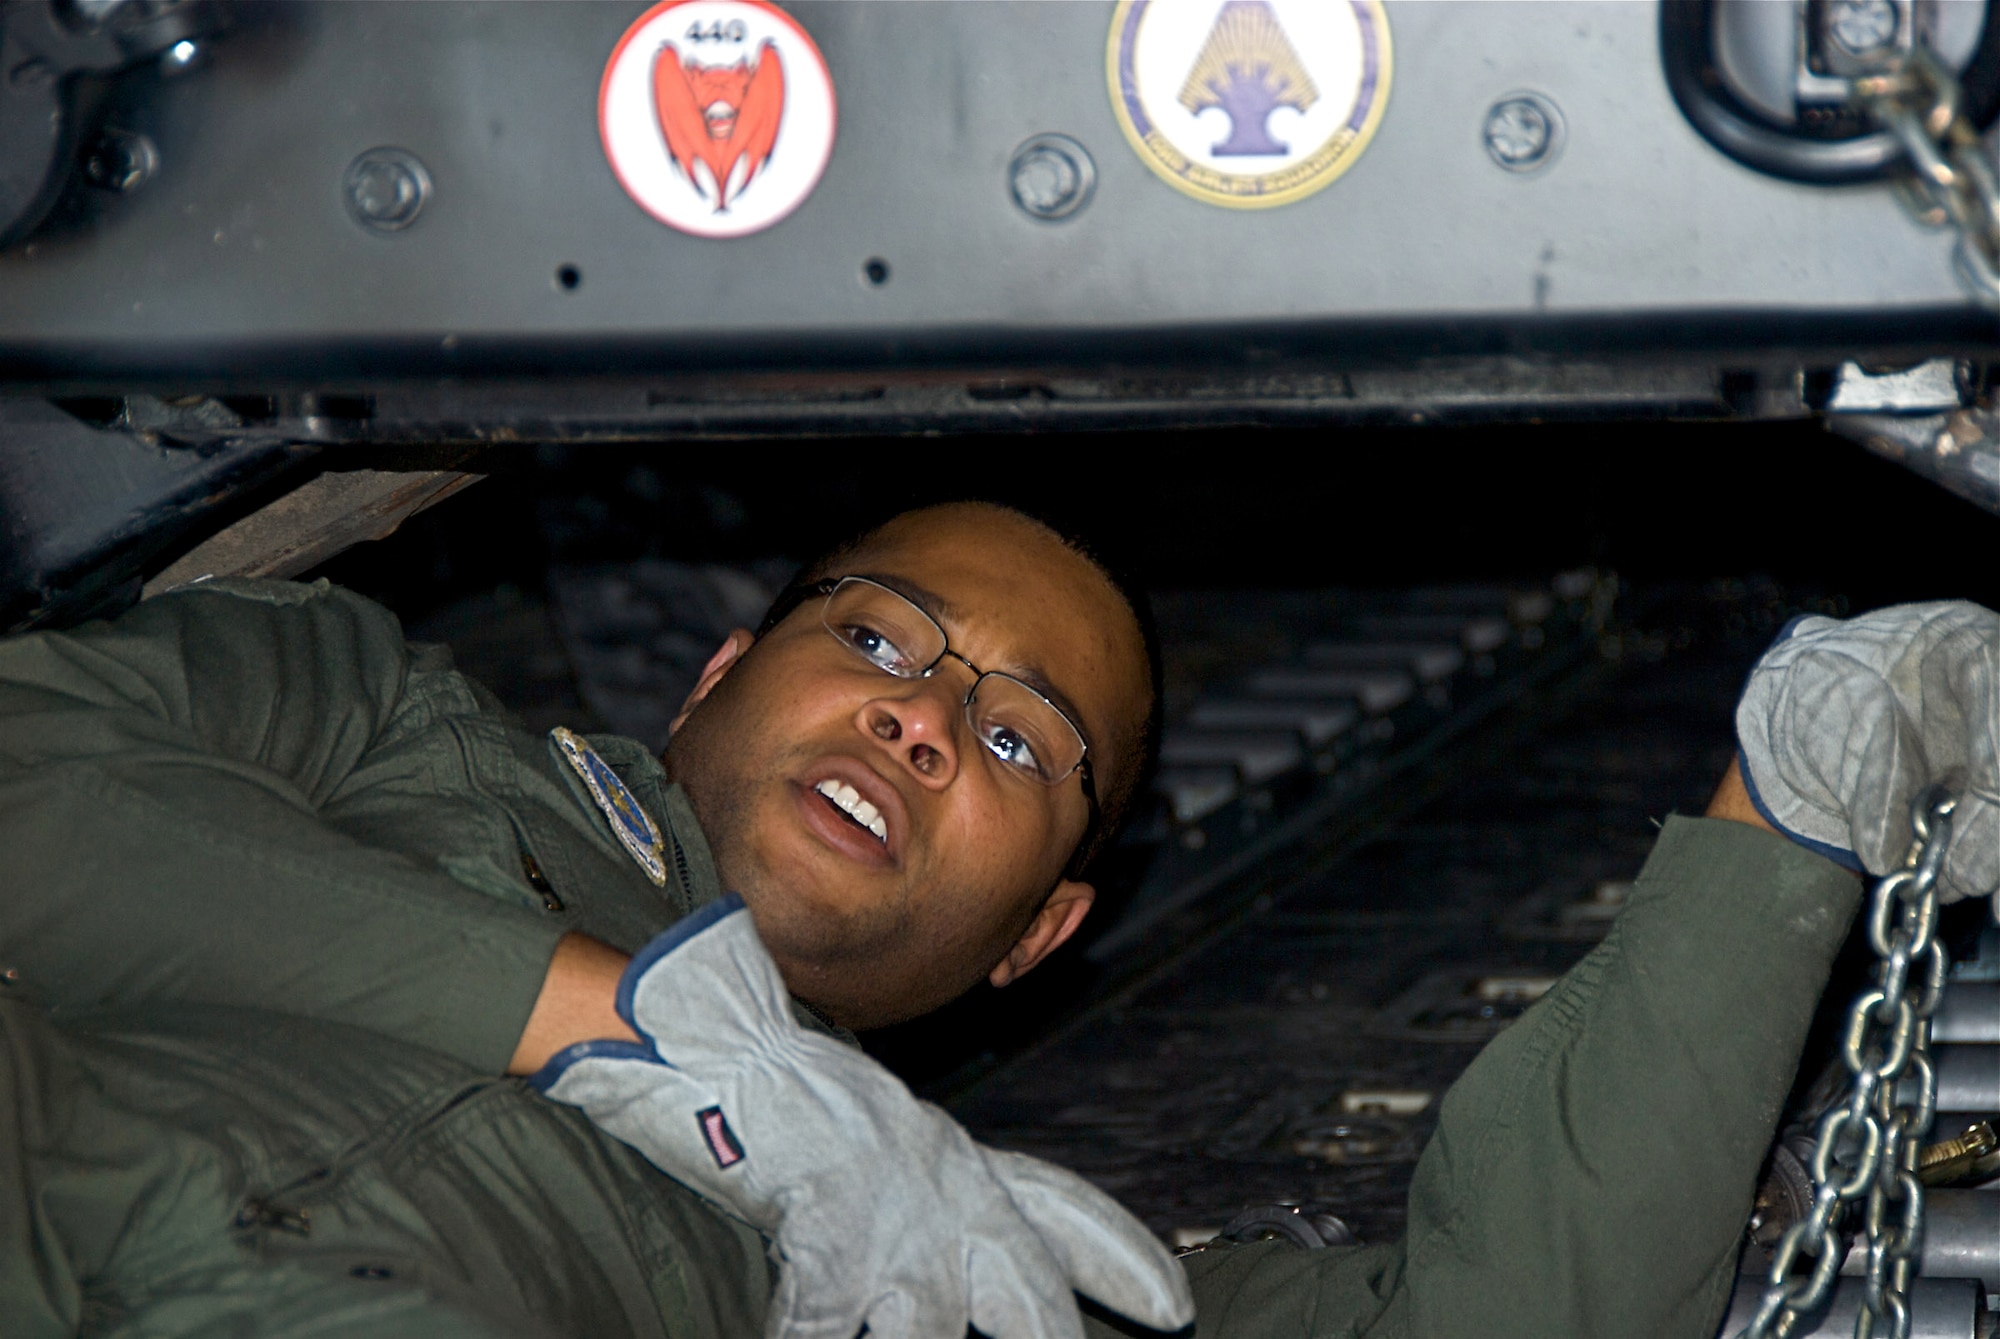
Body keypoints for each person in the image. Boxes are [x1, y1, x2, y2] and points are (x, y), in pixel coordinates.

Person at [0, 499, 1991, 1338]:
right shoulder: (368, 714)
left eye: (1019, 738)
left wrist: (1792, 810)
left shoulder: (986, 1264)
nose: (922, 715)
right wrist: (606, 1021)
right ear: (710, 678)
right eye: (875, 633)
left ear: (1035, 936)